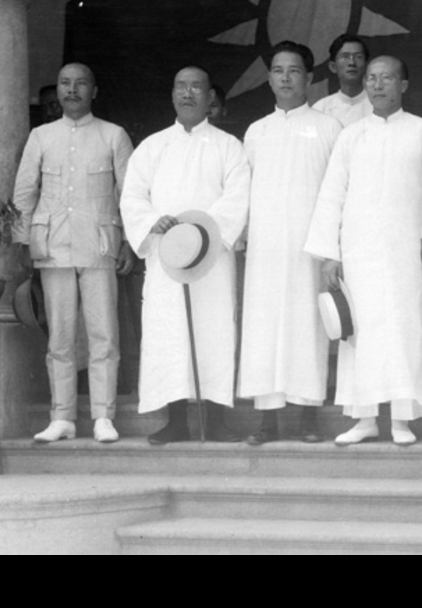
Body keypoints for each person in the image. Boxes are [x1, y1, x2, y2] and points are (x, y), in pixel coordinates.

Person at [305, 56, 422, 446]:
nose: (377, 84)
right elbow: (332, 193)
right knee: (361, 332)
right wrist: (330, 253)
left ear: (403, 85)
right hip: (358, 250)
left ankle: (402, 419)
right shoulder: (352, 136)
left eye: (387, 78)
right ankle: (364, 418)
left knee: (403, 328)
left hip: (404, 248)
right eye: (372, 78)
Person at [121, 66, 250, 444]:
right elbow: (132, 197)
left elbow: (237, 197)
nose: (188, 93)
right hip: (166, 259)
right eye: (181, 86)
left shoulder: (229, 146)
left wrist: (203, 233)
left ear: (210, 97)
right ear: (173, 95)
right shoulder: (153, 146)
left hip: (212, 259)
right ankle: (175, 420)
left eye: (196, 87)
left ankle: (216, 420)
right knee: (169, 334)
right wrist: (152, 221)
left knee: (214, 332)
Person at [12, 63, 135, 443]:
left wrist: (129, 242)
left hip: (99, 245)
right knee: (60, 337)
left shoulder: (113, 135)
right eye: (65, 83)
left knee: (103, 335)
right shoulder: (41, 136)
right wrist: (22, 241)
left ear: (94, 91)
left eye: (81, 83)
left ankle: (103, 416)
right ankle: (62, 416)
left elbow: (129, 194)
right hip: (53, 247)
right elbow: (24, 192)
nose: (72, 90)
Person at [239, 42, 342, 444]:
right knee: (264, 328)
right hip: (265, 248)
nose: (285, 78)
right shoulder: (257, 131)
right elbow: (243, 190)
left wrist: (331, 246)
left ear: (309, 78)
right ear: (269, 78)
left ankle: (308, 417)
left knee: (307, 327)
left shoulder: (329, 127)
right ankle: (267, 420)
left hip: (309, 246)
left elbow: (338, 190)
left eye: (294, 71)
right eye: (278, 71)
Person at [311, 34, 372, 126]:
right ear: (333, 67)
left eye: (358, 57)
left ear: (367, 66)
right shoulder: (320, 109)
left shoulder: (379, 106)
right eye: (345, 56)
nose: (352, 62)